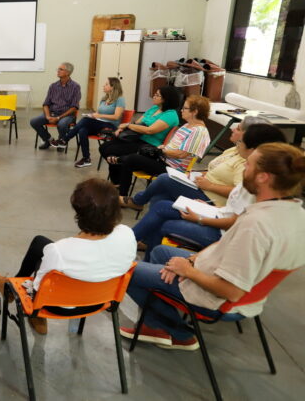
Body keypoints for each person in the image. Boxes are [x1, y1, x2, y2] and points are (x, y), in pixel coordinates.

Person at [121, 143, 305, 351]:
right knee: (160, 252)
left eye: (249, 166)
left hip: (220, 299)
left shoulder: (256, 225)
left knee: (125, 272)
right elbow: (227, 245)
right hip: (237, 286)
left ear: (263, 177)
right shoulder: (294, 213)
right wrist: (192, 259)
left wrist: (188, 271)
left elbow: (231, 291)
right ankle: (158, 317)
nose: (244, 169)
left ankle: (178, 333)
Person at [0, 178, 136, 334]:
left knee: (43, 250)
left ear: (79, 213)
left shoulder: (59, 250)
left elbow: (38, 287)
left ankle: (23, 303)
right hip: (101, 301)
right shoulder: (127, 234)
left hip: (59, 306)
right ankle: (10, 291)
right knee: (40, 242)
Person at [132, 124, 287, 259]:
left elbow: (235, 221)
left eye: (241, 141)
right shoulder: (253, 176)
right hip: (215, 212)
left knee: (163, 200)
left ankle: (133, 244)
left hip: (220, 231)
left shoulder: (253, 185)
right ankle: (138, 251)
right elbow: (234, 209)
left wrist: (200, 218)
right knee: (161, 199)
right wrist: (210, 208)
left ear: (254, 151)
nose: (238, 144)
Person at [121, 116, 273, 211]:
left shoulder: (247, 161)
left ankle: (136, 201)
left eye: (238, 128)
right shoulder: (233, 149)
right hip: (197, 181)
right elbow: (213, 169)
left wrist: (163, 151)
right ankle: (148, 240)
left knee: (161, 177)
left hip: (207, 194)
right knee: (160, 196)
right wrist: (196, 174)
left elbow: (240, 192)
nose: (233, 129)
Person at [111, 93, 208, 200]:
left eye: (185, 108)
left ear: (195, 112)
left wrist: (161, 151)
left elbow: (181, 154)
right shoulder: (187, 125)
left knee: (131, 159)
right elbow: (173, 147)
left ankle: (123, 196)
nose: (181, 110)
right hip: (164, 159)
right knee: (131, 155)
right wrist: (163, 148)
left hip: (172, 168)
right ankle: (122, 190)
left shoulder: (199, 132)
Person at [100, 85, 181, 180]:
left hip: (148, 145)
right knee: (104, 147)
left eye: (157, 95)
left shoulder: (170, 114)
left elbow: (150, 130)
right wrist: (123, 128)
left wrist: (128, 125)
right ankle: (118, 177)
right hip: (137, 138)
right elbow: (137, 123)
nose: (154, 96)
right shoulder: (154, 108)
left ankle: (117, 181)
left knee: (111, 152)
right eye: (154, 94)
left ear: (166, 99)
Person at [61, 77, 126, 167]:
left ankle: (65, 139)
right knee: (82, 130)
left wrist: (99, 116)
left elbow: (116, 117)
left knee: (85, 121)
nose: (104, 85)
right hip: (98, 124)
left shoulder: (120, 99)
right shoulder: (104, 99)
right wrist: (93, 115)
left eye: (106, 84)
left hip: (110, 127)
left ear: (113, 87)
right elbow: (98, 113)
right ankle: (86, 158)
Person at [30, 62, 81, 152]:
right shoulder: (53, 86)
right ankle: (49, 140)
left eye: (61, 69)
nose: (58, 71)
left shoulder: (75, 87)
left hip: (67, 115)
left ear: (67, 73)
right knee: (34, 122)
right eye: (58, 69)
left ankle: (61, 141)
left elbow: (74, 107)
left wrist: (58, 118)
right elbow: (46, 104)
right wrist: (48, 116)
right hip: (52, 113)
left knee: (62, 124)